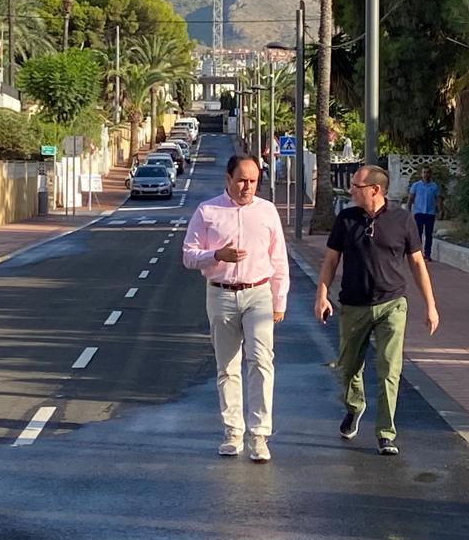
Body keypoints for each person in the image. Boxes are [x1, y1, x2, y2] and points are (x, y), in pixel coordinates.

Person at [314, 165, 440, 456]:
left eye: (356, 186)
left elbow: (417, 263)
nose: (351, 190)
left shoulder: (402, 219)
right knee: (348, 367)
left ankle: (385, 432)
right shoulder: (346, 219)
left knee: (389, 369)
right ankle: (354, 406)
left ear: (375, 190)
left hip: (392, 304)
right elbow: (331, 260)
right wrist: (322, 294)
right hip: (353, 305)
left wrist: (431, 305)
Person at [183, 154, 289, 463]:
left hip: (258, 293)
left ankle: (259, 434)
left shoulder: (267, 211)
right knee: (227, 366)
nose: (247, 187)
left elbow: (279, 259)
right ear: (228, 179)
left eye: (253, 181)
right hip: (221, 294)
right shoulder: (208, 211)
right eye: (241, 180)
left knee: (261, 361)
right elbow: (188, 255)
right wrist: (217, 255)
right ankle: (232, 432)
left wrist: (279, 300)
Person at [407, 166, 443, 261]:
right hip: (418, 213)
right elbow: (410, 199)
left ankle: (427, 254)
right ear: (421, 174)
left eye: (427, 172)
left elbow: (438, 199)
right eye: (424, 172)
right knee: (418, 234)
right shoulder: (416, 185)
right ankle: (418, 254)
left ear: (430, 174)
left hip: (430, 213)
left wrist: (440, 210)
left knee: (429, 234)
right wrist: (408, 211)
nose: (425, 174)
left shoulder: (434, 186)